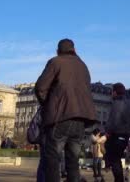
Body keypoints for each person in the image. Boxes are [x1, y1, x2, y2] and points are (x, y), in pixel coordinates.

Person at [35, 38, 97, 182]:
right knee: (73, 162)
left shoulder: (56, 62)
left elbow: (40, 88)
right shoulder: (83, 66)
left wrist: (48, 104)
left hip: (60, 118)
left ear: (58, 51)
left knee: (52, 161)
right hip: (80, 120)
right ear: (74, 50)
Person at [105, 83, 130, 182]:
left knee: (114, 159)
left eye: (112, 92)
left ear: (114, 92)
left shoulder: (117, 104)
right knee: (116, 159)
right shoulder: (129, 103)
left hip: (117, 135)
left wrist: (107, 131)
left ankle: (119, 180)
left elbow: (114, 120)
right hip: (125, 136)